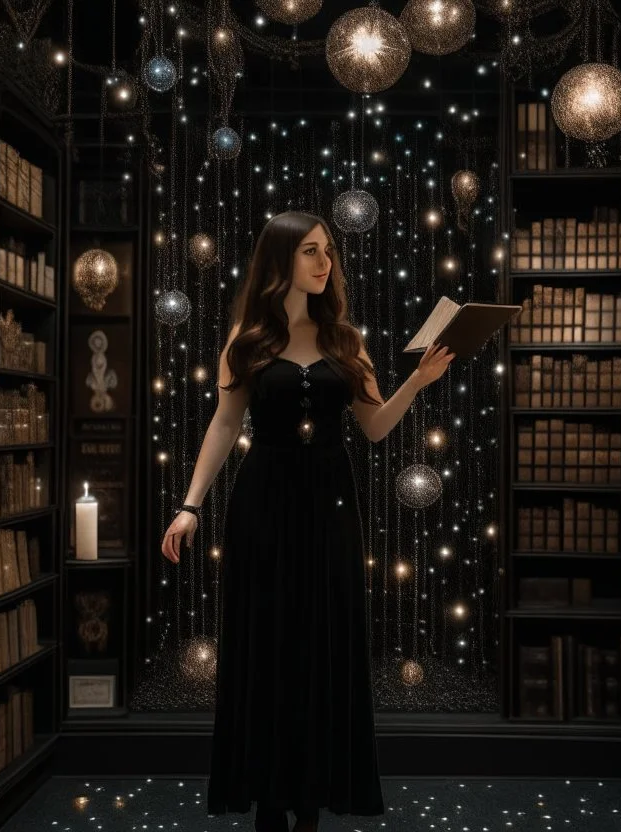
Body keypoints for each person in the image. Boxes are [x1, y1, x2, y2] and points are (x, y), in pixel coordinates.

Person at [159, 211, 454, 832]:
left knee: (323, 646)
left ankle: (311, 801)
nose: (325, 264)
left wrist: (419, 383)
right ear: (280, 260)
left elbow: (373, 427)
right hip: (262, 505)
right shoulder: (247, 339)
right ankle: (269, 799)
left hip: (329, 509)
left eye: (330, 253)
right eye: (312, 252)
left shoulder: (347, 342)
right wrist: (190, 507)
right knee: (266, 649)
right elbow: (224, 424)